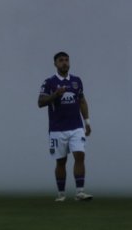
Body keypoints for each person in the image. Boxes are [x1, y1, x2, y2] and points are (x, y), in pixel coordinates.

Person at [37, 51, 93, 202]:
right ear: (55, 64)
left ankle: (80, 192)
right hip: (57, 129)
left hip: (76, 127)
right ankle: (61, 194)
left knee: (80, 156)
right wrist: (55, 94)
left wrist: (87, 122)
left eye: (67, 60)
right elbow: (40, 102)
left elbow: (82, 101)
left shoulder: (76, 81)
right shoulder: (49, 82)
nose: (64, 63)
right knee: (61, 162)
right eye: (61, 60)